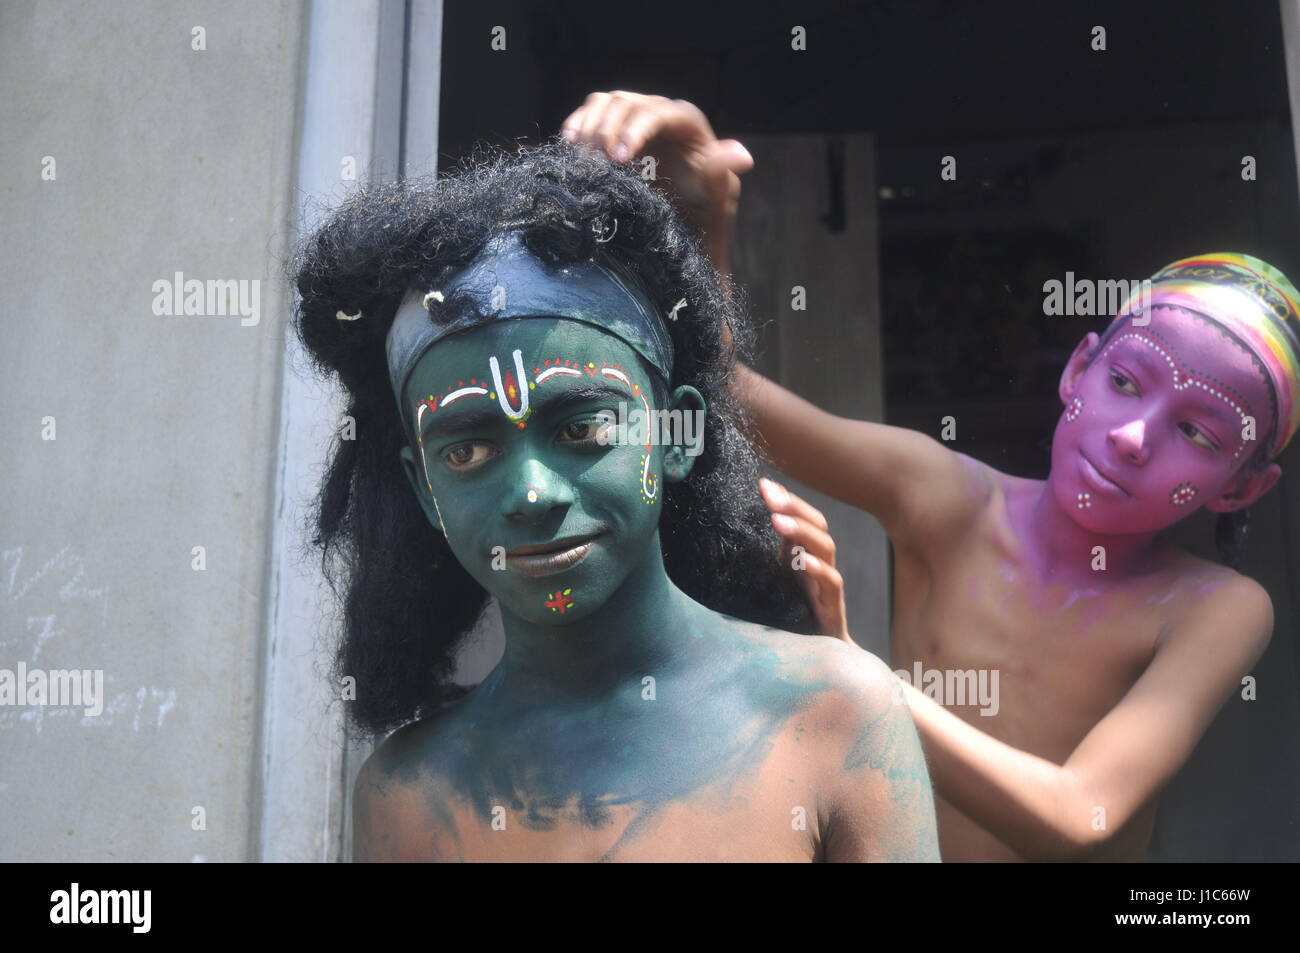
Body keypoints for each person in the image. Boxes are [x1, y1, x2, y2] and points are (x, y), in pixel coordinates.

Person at [563, 91, 1300, 860]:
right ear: (1080, 368)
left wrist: (854, 668)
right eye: (1124, 381)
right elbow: (728, 393)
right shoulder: (947, 496)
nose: (1132, 437)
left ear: (1241, 487)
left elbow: (1083, 818)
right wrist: (708, 214)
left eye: (1195, 430)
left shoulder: (1214, 607)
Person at [291, 141, 939, 861]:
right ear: (424, 485)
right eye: (466, 450)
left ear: (677, 433)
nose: (532, 493)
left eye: (582, 427)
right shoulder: (406, 797)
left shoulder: (832, 715)